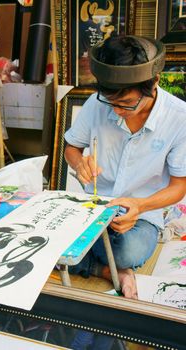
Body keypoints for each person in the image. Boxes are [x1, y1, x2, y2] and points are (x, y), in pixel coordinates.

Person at [64, 34, 186, 299]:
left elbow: (179, 187)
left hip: (140, 216)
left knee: (126, 251)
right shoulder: (97, 104)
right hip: (92, 207)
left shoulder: (179, 119)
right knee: (43, 238)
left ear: (154, 82)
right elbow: (71, 148)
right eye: (112, 102)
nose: (117, 111)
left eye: (127, 104)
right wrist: (79, 163)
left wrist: (140, 206)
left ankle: (93, 260)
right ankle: (109, 270)